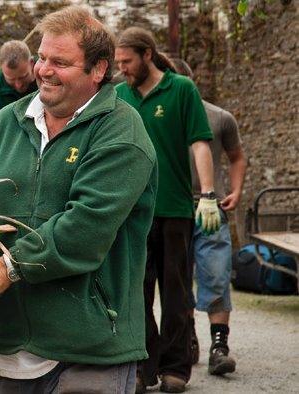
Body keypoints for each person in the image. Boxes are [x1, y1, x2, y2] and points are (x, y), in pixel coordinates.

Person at [0, 6, 158, 393]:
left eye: (60, 62)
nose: (43, 70)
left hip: (89, 347)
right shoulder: (6, 124)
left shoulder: (121, 132)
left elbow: (86, 227)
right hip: (10, 346)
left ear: (98, 70)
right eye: (41, 58)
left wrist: (9, 266)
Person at [115, 27, 222, 393]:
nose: (122, 69)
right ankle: (144, 367)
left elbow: (200, 143)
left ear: (147, 55)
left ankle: (177, 367)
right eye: (118, 63)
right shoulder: (118, 96)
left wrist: (207, 193)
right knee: (135, 293)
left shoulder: (181, 89)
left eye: (127, 62)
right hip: (131, 213)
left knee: (176, 293)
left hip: (175, 209)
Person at [173, 58, 247, 377]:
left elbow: (237, 157)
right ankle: (187, 337)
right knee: (177, 277)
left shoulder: (219, 117)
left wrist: (236, 189)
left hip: (209, 207)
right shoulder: (157, 117)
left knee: (215, 273)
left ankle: (219, 348)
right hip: (171, 207)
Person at [0, 40, 38, 129]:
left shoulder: (48, 83)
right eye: (11, 79)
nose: (18, 85)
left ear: (31, 62)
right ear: (1, 67)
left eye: (23, 77)